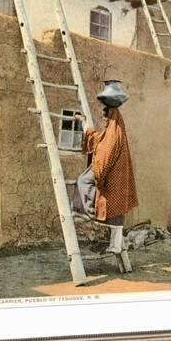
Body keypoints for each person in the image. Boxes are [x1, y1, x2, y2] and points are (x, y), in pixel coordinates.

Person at [72, 105, 139, 254]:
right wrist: (84, 123)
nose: (104, 120)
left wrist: (98, 174)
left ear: (111, 118)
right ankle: (118, 246)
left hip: (112, 177)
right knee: (116, 212)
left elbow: (105, 153)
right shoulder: (115, 132)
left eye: (105, 117)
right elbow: (98, 139)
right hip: (118, 179)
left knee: (84, 181)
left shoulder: (114, 135)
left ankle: (89, 211)